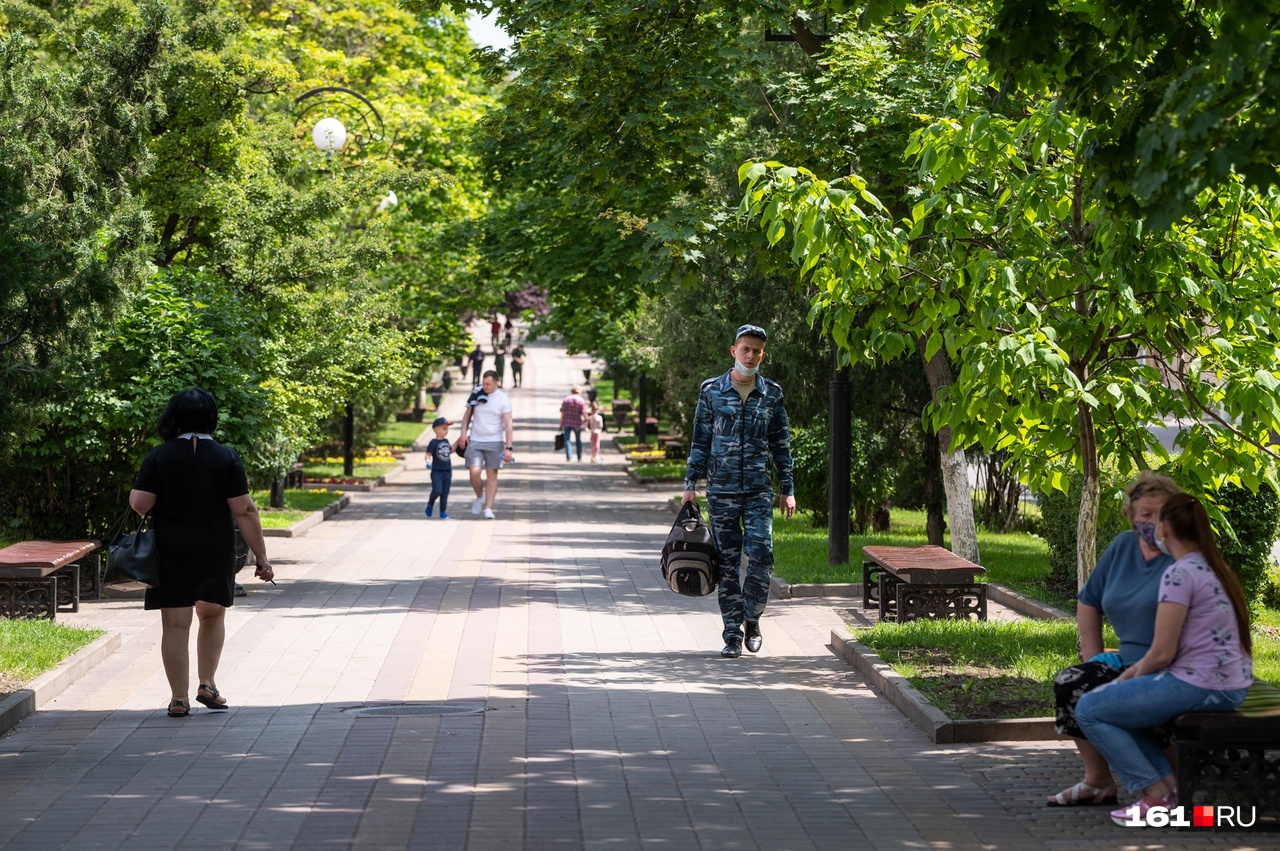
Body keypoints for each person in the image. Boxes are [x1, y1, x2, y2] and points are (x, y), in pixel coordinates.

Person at [1076, 493, 1253, 827]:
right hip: (1224, 683)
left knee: (1090, 708)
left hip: (1203, 685)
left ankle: (1155, 794)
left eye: (1156, 521)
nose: (1151, 528)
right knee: (1120, 712)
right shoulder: (1205, 565)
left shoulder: (1179, 574)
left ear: (1167, 529)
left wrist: (1122, 681)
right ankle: (1169, 791)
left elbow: (1161, 654)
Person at [127, 387, 274, 718]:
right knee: (212, 614)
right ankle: (207, 683)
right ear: (212, 418)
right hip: (214, 548)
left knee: (175, 624)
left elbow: (140, 503)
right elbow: (244, 511)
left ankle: (179, 699)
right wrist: (261, 557)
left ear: (173, 418)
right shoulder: (226, 457)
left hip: (170, 549)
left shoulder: (159, 456)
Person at [1046, 471, 1183, 807]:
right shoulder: (1123, 546)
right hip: (1127, 661)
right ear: (1132, 518)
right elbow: (1089, 599)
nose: (1154, 522)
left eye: (1162, 513)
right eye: (1145, 515)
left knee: (1132, 703)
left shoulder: (1184, 556)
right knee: (1072, 682)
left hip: (1173, 663)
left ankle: (1173, 782)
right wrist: (1093, 656)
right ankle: (1098, 782)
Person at [682, 324, 795, 659]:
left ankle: (752, 618)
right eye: (745, 349)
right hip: (721, 490)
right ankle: (732, 634)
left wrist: (787, 489)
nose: (750, 355)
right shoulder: (711, 391)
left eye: (757, 351)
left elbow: (781, 444)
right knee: (728, 563)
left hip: (759, 491)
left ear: (763, 354)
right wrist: (690, 484)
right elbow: (700, 440)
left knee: (762, 555)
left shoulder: (771, 393)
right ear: (734, 351)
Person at [457, 370, 514, 519]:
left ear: (496, 382)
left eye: (488, 384)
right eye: (483, 383)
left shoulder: (503, 399)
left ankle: (488, 508)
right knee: (474, 471)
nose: (485, 386)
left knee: (491, 474)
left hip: (494, 441)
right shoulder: (476, 393)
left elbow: (508, 425)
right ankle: (479, 496)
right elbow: (467, 416)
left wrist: (508, 448)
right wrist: (463, 434)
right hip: (476, 439)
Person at [424, 416, 453, 519]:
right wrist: (428, 462)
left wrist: (460, 441)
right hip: (437, 471)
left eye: (447, 429)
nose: (446, 431)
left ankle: (443, 512)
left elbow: (450, 451)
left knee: (445, 492)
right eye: (444, 428)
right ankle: (430, 504)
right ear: (436, 430)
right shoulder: (433, 442)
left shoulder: (446, 441)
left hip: (447, 471)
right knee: (437, 490)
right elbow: (428, 454)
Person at [559, 385, 587, 462]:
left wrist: (560, 423)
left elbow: (563, 412)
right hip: (577, 423)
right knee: (578, 440)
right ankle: (579, 457)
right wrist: (587, 420)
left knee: (567, 440)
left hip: (566, 422)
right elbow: (584, 413)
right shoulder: (581, 400)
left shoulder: (566, 399)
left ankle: (569, 457)